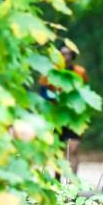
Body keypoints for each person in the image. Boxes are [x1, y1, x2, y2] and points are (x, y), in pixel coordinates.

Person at [39, 43, 88, 177]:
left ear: (73, 55)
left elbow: (85, 93)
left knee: (73, 149)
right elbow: (43, 93)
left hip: (74, 116)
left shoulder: (79, 72)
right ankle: (58, 178)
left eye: (68, 53)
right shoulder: (49, 72)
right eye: (62, 53)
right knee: (58, 150)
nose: (65, 56)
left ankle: (73, 185)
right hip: (56, 116)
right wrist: (55, 98)